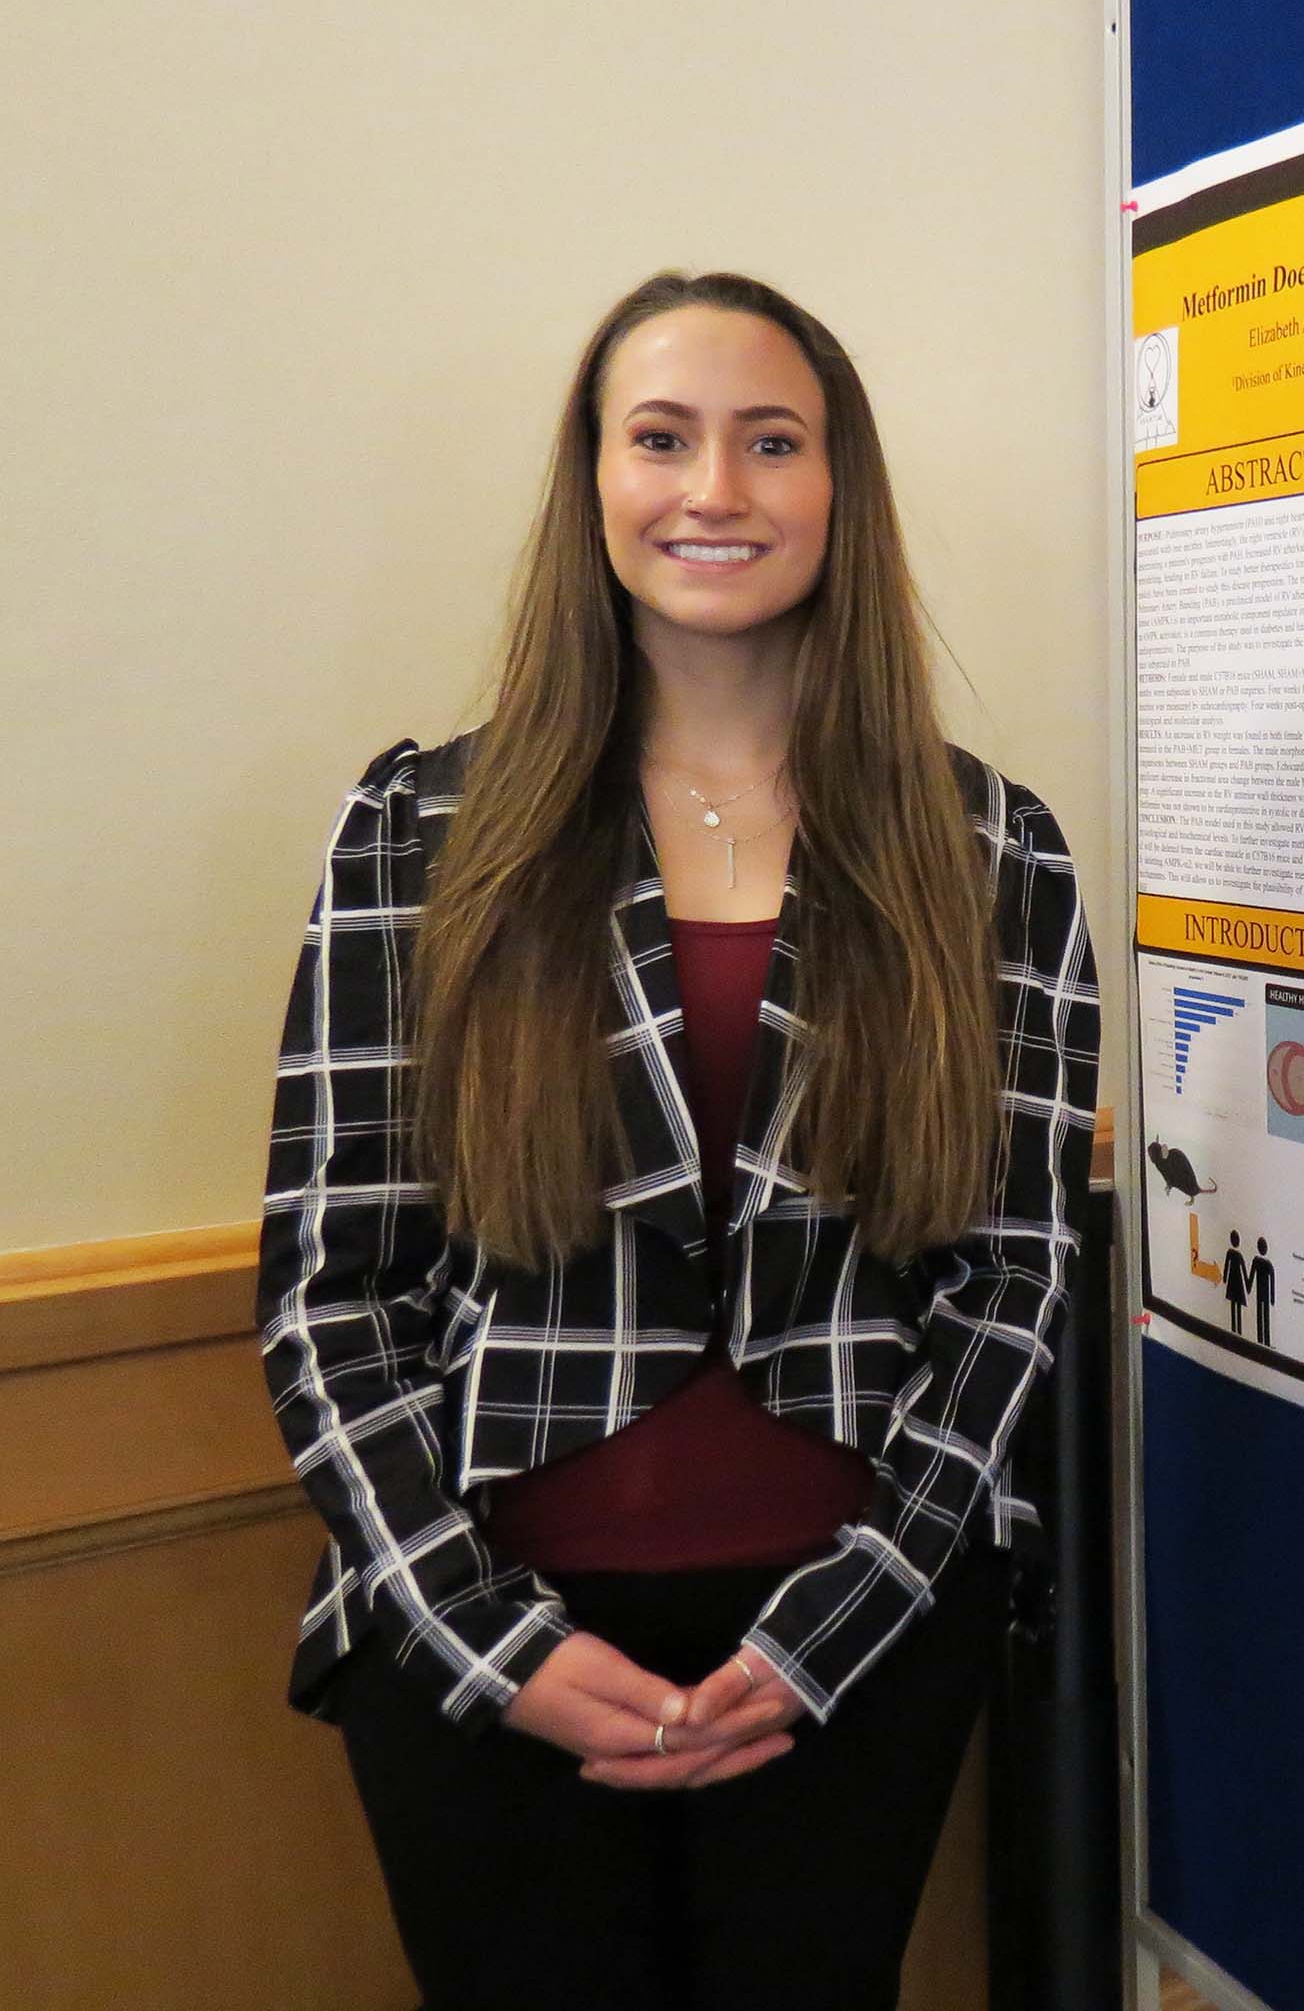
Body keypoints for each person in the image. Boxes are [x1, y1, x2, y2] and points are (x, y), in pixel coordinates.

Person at [255, 271, 1097, 2009]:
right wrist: (489, 1638)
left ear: (837, 489)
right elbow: (327, 1289)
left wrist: (846, 1620)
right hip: (481, 1630)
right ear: (594, 485)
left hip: (849, 1647)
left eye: (771, 442)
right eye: (662, 438)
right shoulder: (420, 826)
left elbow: (1015, 1282)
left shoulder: (991, 845)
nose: (714, 488)